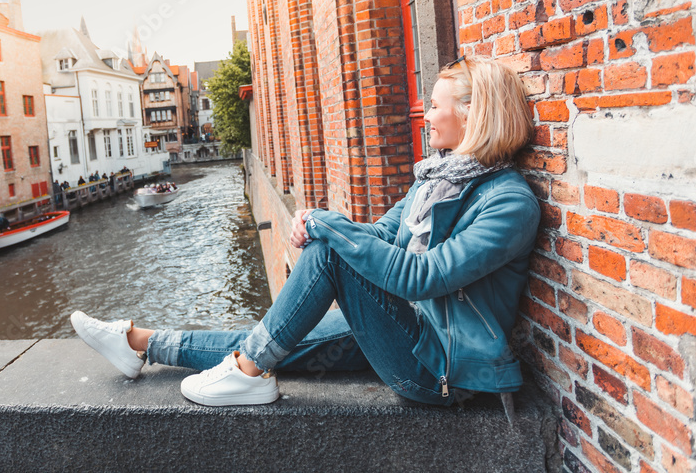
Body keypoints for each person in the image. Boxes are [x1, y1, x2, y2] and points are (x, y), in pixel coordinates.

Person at [71, 57, 539, 407]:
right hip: (407, 326)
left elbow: (424, 276)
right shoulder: (438, 177)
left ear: (472, 115)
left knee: (331, 252)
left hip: (441, 370)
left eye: (434, 106)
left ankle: (249, 375)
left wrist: (327, 227)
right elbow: (377, 234)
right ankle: (138, 342)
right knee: (275, 334)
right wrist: (318, 222)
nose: (427, 115)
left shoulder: (507, 202)